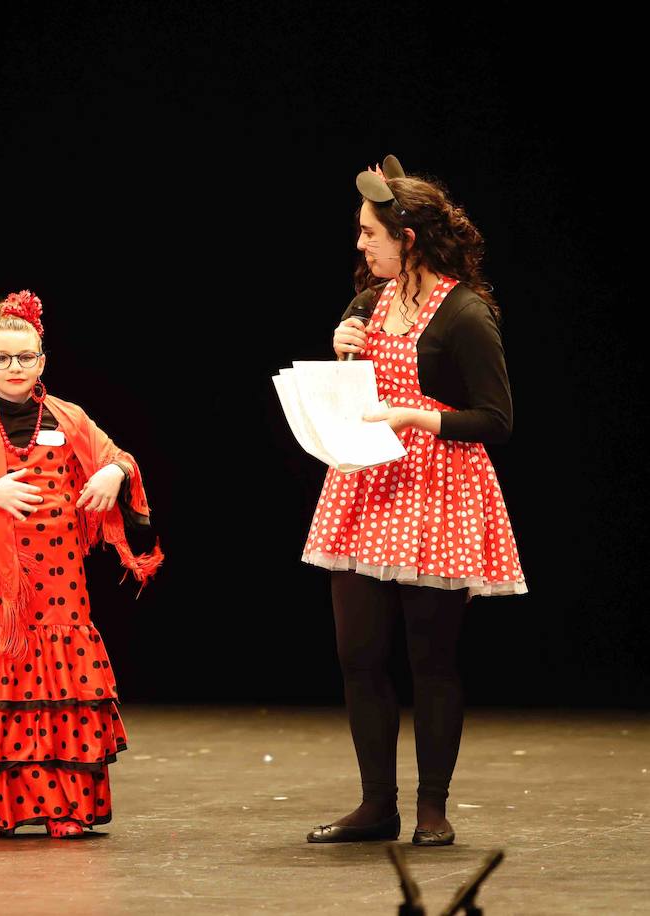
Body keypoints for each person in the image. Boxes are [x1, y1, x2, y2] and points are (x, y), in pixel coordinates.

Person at [302, 157, 525, 847]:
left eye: (370, 233)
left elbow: (497, 419)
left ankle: (432, 809)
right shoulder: (367, 303)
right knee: (359, 655)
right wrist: (340, 353)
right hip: (366, 488)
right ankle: (377, 806)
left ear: (408, 237)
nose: (361, 245)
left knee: (430, 660)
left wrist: (418, 417)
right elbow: (354, 395)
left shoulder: (465, 313)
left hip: (435, 494)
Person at [0, 290, 162, 838]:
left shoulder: (70, 419)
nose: (14, 368)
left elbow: (120, 458)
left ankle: (67, 807)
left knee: (61, 691)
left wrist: (114, 475)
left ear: (42, 361)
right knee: (2, 694)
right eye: (2, 359)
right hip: (2, 598)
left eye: (25, 357)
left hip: (62, 592)